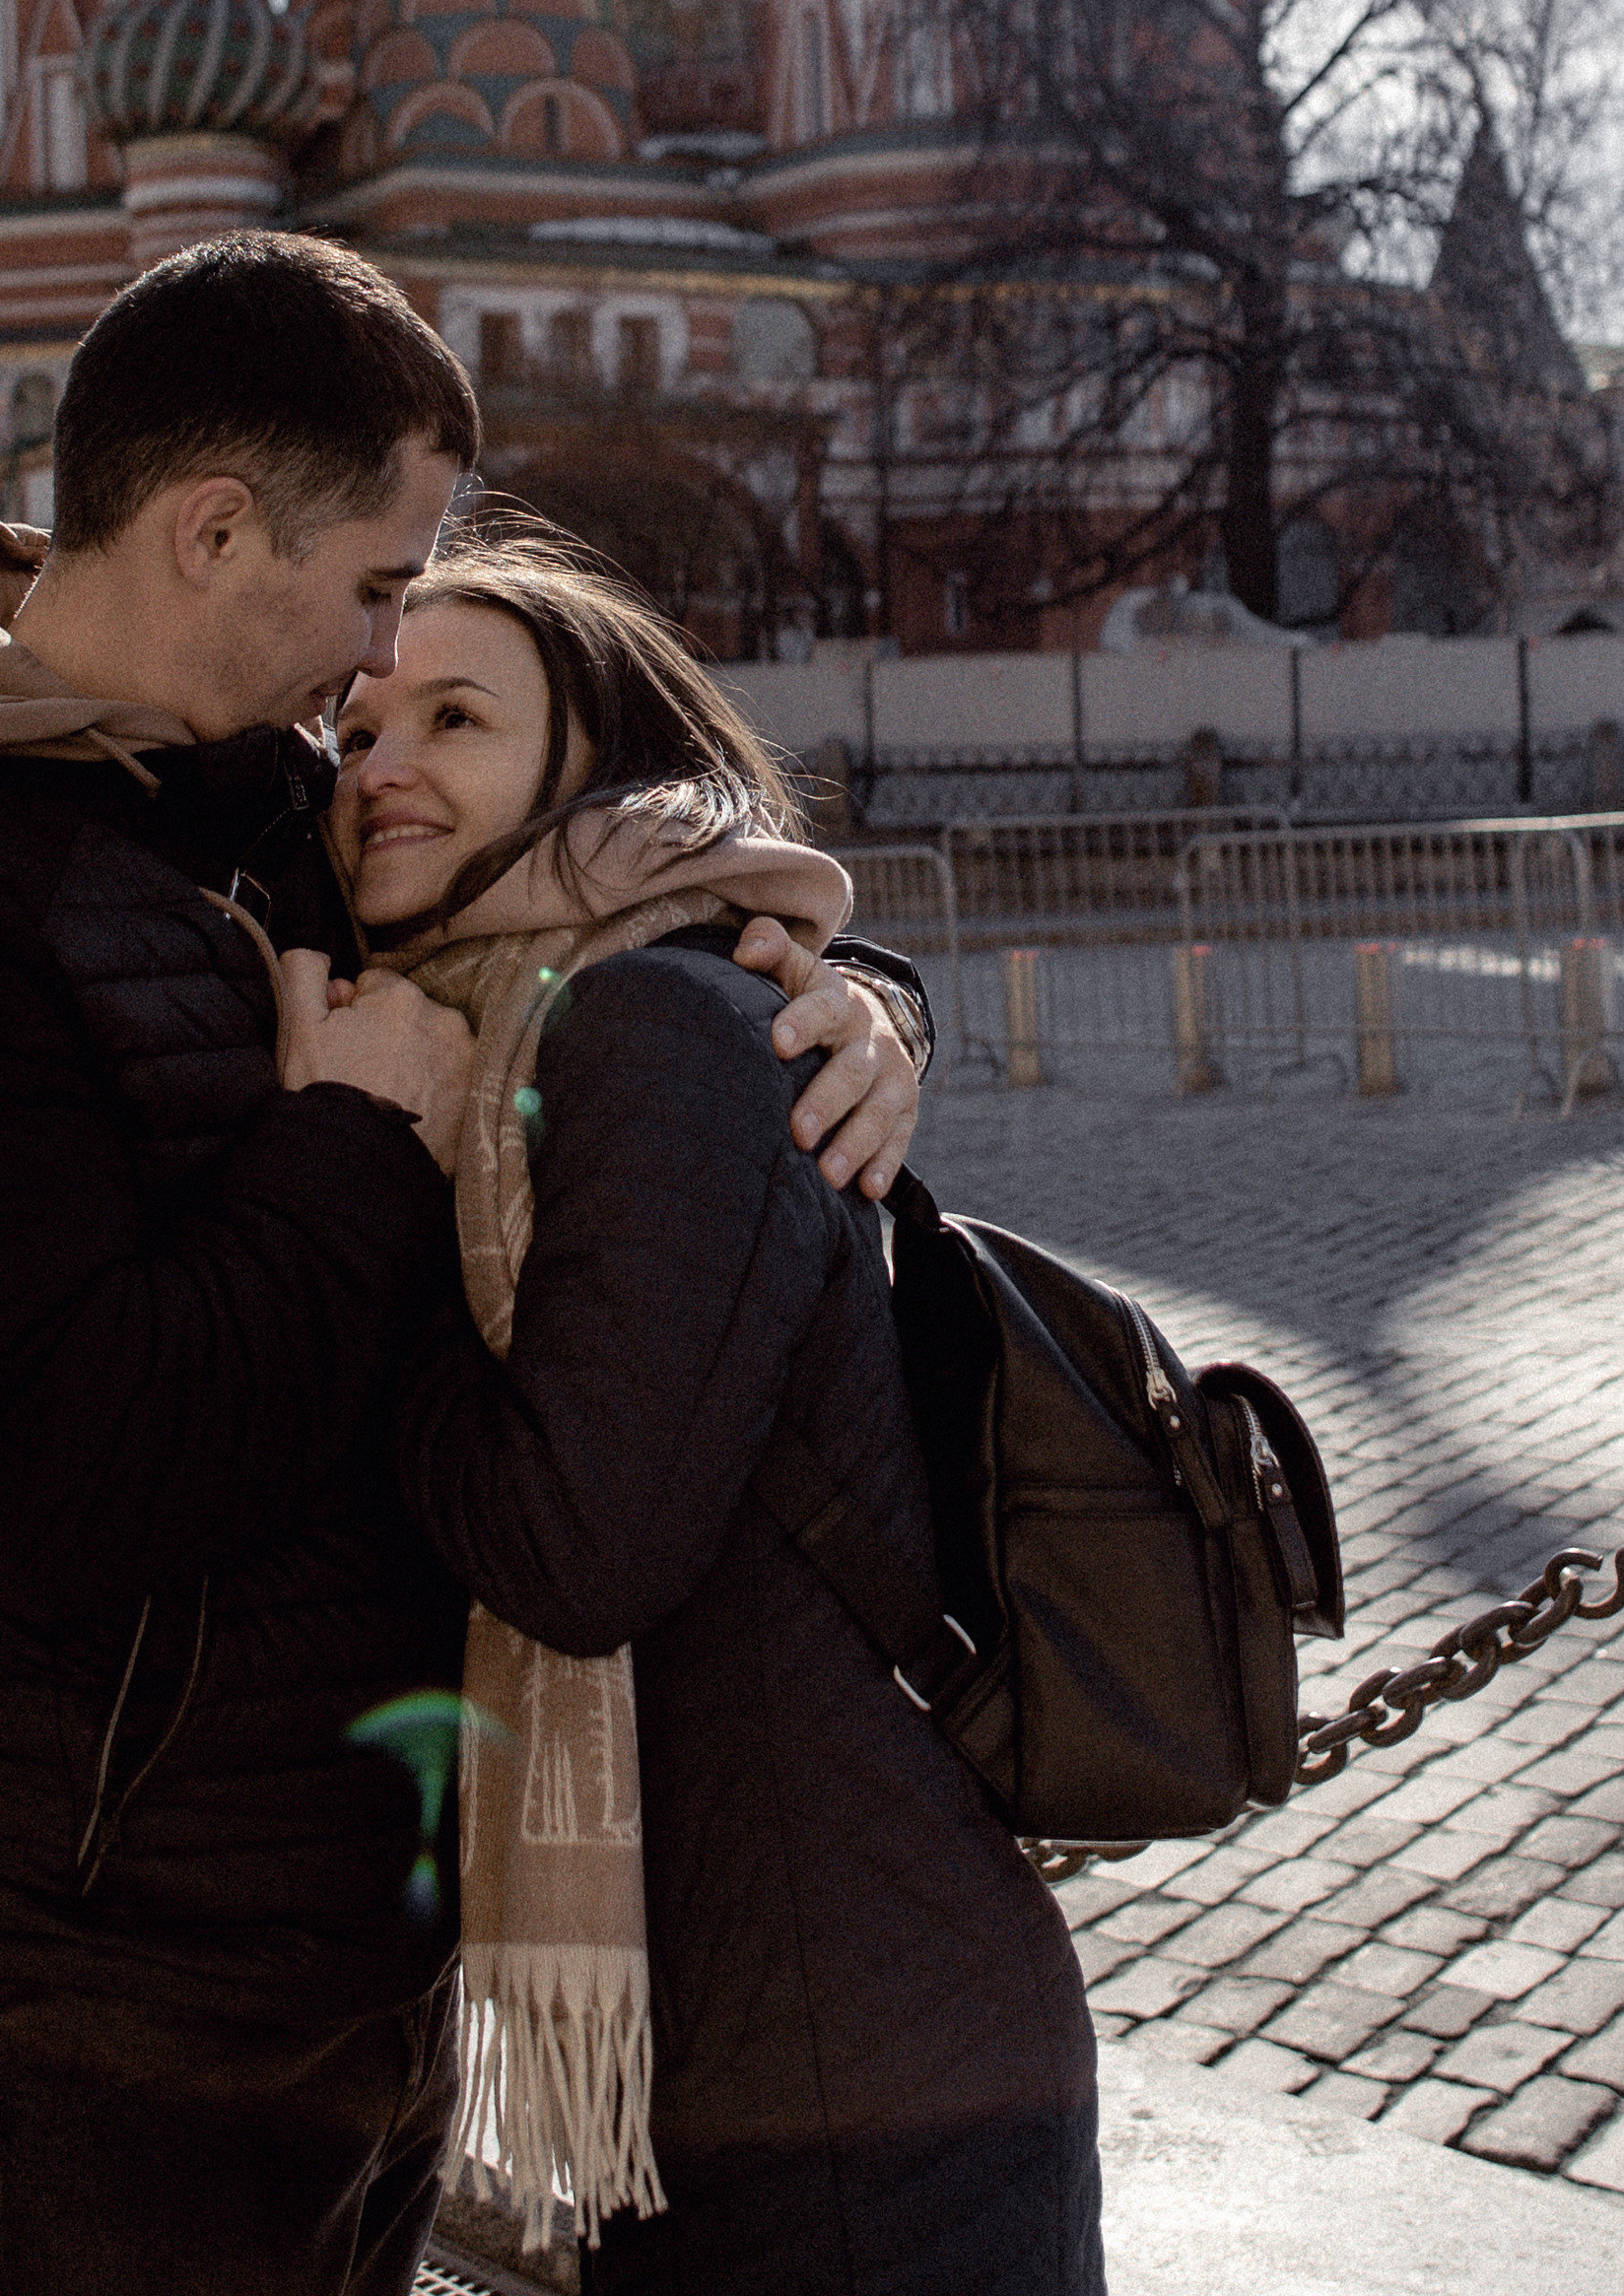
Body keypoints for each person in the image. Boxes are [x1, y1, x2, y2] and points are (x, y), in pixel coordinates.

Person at [0, 233, 925, 2296]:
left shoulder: (260, 800)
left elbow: (600, 865)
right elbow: (65, 1471)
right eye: (373, 582)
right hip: (96, 1979)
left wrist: (840, 1006)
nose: (378, 666)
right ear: (209, 525)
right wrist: (353, 1130)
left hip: (350, 1917)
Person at [317, 520, 1105, 2296]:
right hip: (764, 2024)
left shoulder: (644, 1029)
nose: (386, 770)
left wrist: (358, 1178)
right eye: (361, 730)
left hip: (853, 2055)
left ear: (591, 765)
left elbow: (579, 1548)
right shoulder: (501, 1011)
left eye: (458, 721)